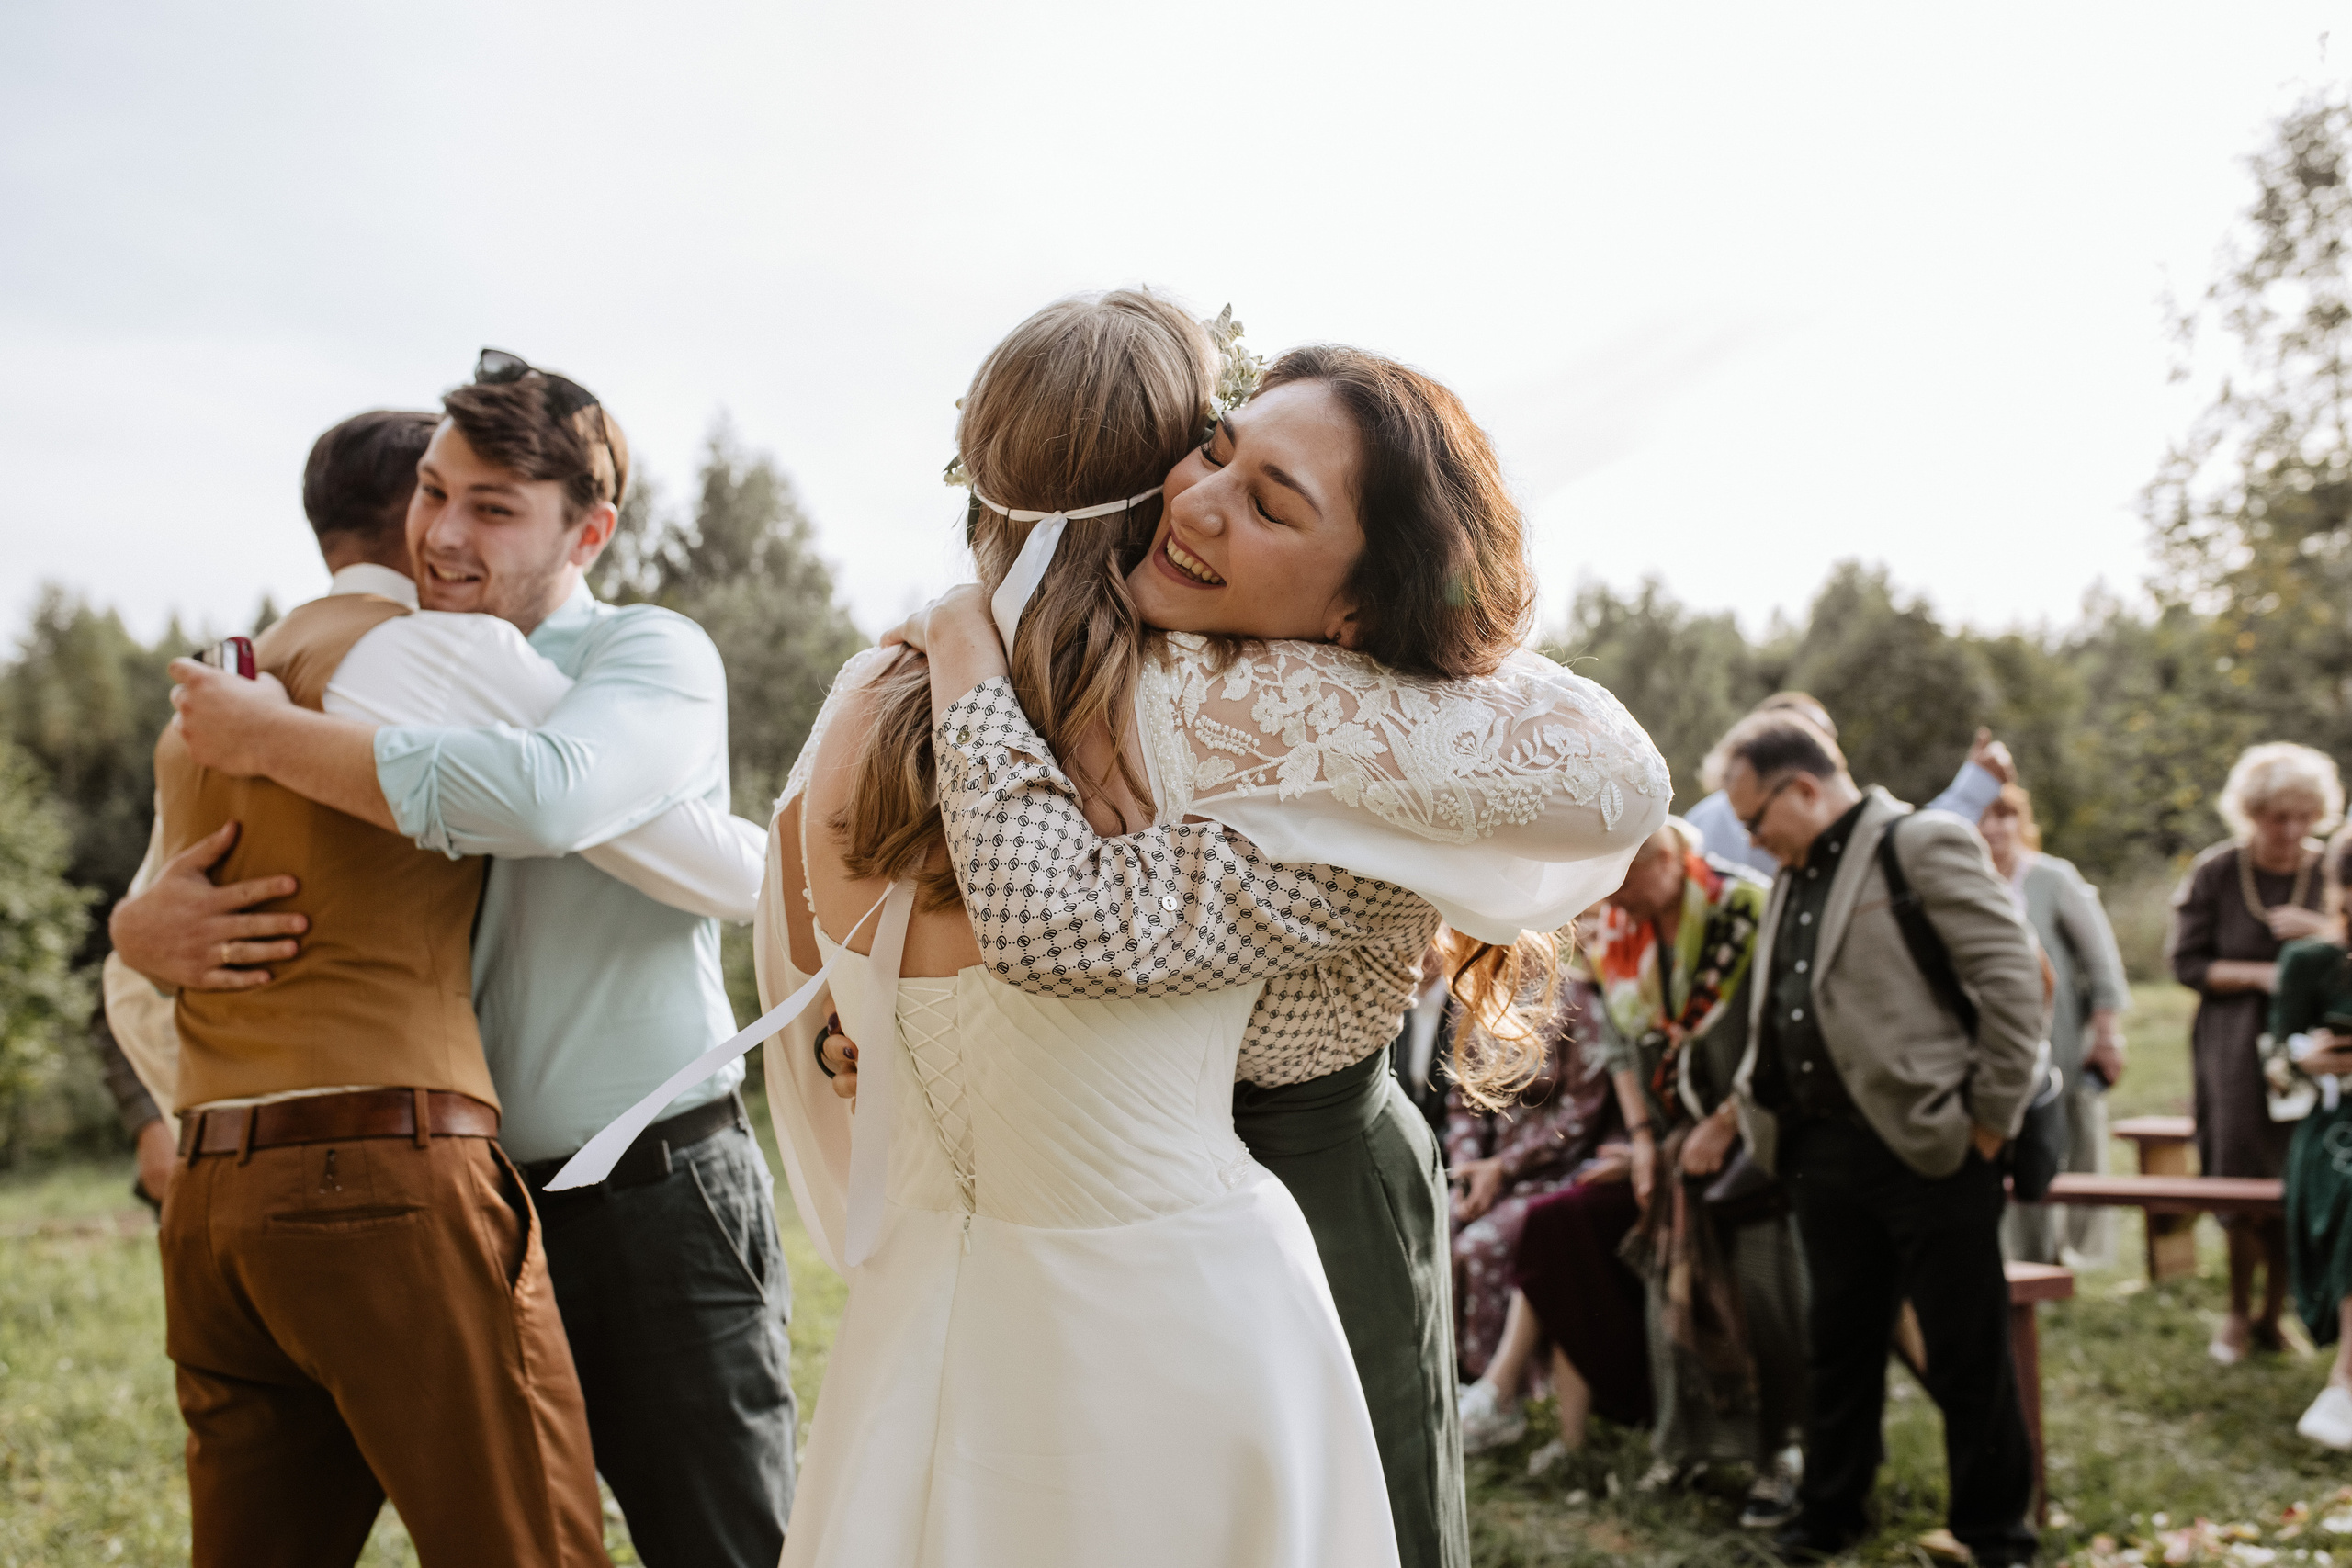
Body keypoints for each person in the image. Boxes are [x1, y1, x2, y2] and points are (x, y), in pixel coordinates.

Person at [763, 296, 1669, 1568]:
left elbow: (1050, 921)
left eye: (1270, 504)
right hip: (1119, 1218)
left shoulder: (1330, 731)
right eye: (1210, 451)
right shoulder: (1107, 676)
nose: (1197, 503)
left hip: (1314, 1180)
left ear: (1362, 612)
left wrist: (968, 633)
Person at [145, 374, 795, 1566]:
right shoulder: (393, 659)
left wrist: (276, 739)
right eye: (432, 493)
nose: (442, 533)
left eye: (492, 509)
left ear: (587, 534)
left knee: (723, 1546)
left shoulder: (648, 652)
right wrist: (144, 927)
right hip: (461, 1198)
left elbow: (555, 799)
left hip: (654, 1194)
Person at [1720, 712, 2044, 1566]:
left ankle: (1995, 1535)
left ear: (1803, 787)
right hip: (1819, 1152)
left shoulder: (1920, 841)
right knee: (1839, 1345)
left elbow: (2014, 978)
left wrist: (1987, 1123)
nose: (1749, 840)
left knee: (1967, 1348)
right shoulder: (1793, 868)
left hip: (1931, 1147)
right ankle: (1830, 1515)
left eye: (1754, 818)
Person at [2169, 741, 2340, 1365]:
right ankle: (2238, 1311)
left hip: (2314, 1048)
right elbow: (2186, 963)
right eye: (2277, 817)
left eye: (2302, 817)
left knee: (2297, 1172)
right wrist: (2265, 976)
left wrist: (2319, 933)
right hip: (2235, 1045)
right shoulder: (2218, 871)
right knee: (2238, 1172)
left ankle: (2276, 1313)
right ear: (2252, 813)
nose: (2290, 831)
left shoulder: (2332, 867)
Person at [1979, 784, 2132, 1267]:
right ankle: (2024, 1255)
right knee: (2009, 1139)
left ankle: (2072, 1251)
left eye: (2005, 815)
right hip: (1995, 1037)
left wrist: (2107, 1035)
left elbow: (2101, 962)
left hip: (2061, 1032)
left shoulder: (2052, 878)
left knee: (2065, 1138)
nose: (1994, 827)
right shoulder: (1966, 882)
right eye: (1983, 816)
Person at [1445, 970, 1618, 1383]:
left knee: (1478, 1248)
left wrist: (1504, 1167)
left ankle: (1497, 1394)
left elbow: (1583, 1112)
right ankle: (1448, 1385)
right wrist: (1466, 1173)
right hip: (1488, 1176)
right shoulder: (1473, 997)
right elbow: (1462, 1103)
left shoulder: (1575, 997)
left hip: (1558, 1174)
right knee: (1434, 1232)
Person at [1684, 694, 2013, 877]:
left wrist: (1973, 791)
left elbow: (1894, 848)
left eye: (1827, 740)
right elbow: (1879, 857)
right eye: (1809, 739)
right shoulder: (1726, 825)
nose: (1824, 753)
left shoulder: (1701, 818)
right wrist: (1971, 792)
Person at [2272, 829, 2352, 1449]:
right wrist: (2306, 1059)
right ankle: (2346, 1380)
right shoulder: (2310, 961)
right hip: (2334, 1125)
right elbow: (2273, 1058)